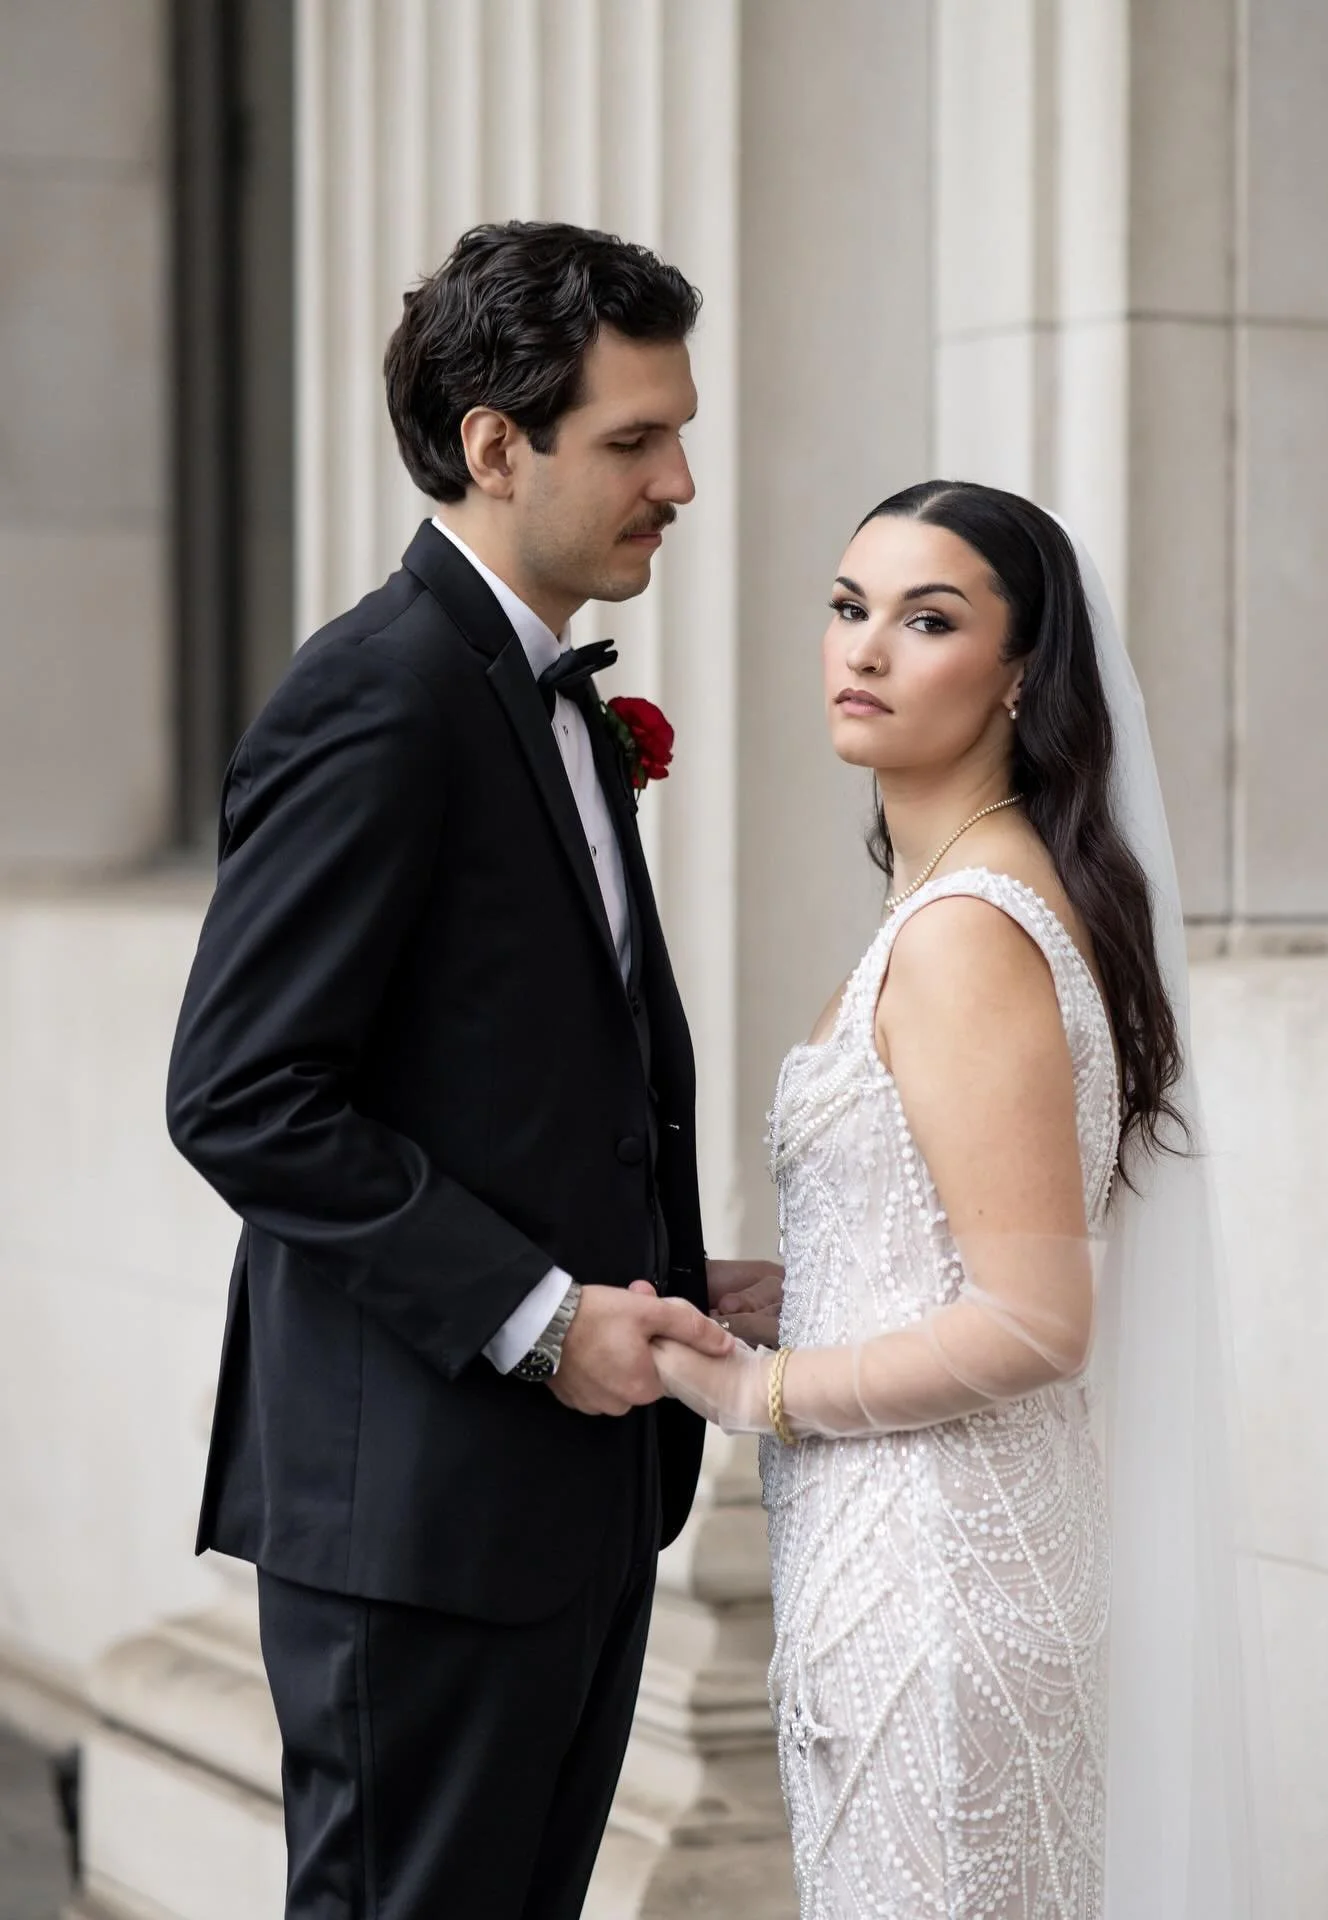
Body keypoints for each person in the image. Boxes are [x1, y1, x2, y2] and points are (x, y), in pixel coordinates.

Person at [166, 220, 779, 1920]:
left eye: (682, 432)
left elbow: (504, 1070)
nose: (680, 482)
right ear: (497, 446)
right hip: (422, 1521)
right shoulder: (377, 696)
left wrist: (658, 1269)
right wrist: (538, 1314)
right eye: (636, 440)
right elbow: (242, 1093)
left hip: (568, 1505)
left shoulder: (547, 697)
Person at [659, 482, 1269, 1917]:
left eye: (927, 619)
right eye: (848, 607)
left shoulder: (966, 935)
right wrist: (808, 1280)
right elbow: (962, 1245)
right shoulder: (963, 898)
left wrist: (762, 1390)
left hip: (934, 1595)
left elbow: (1039, 1319)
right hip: (911, 1568)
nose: (863, 650)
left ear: (1016, 675)